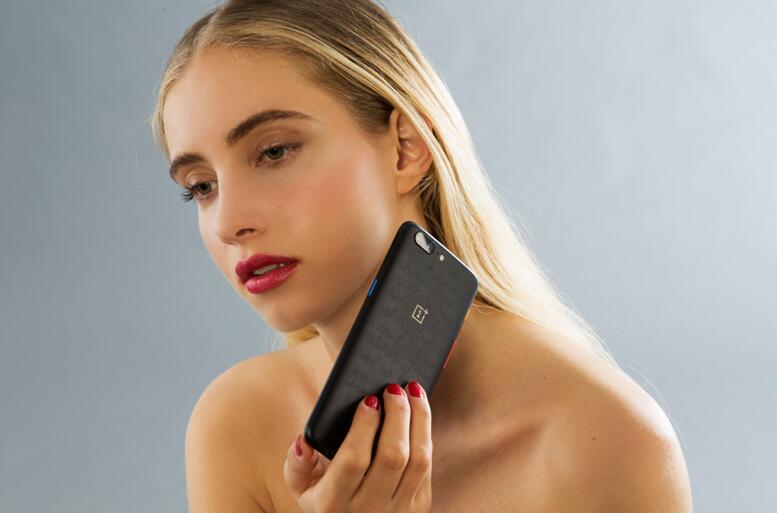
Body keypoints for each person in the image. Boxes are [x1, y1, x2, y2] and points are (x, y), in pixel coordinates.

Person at [151, 1, 693, 511]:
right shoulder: (238, 425)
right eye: (201, 186)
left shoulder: (608, 442)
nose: (228, 222)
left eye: (274, 151)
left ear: (406, 149)